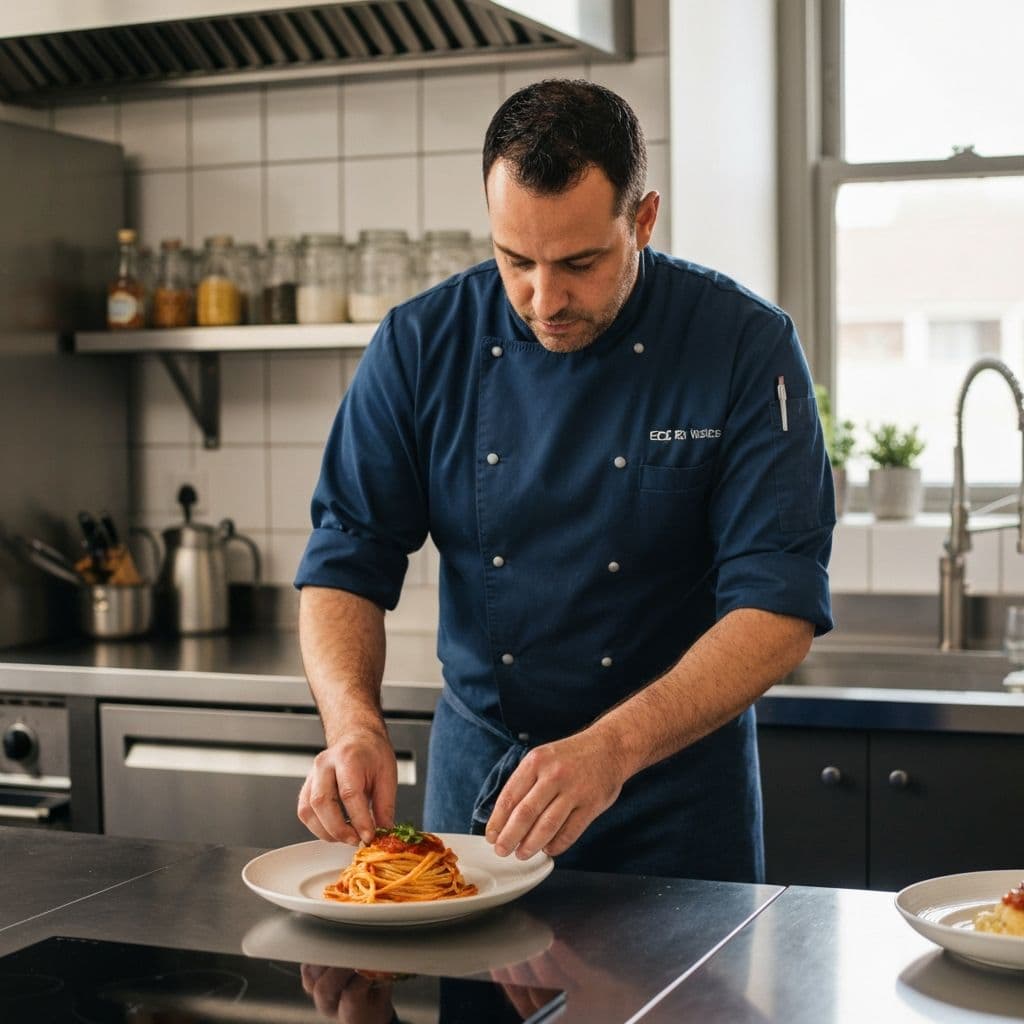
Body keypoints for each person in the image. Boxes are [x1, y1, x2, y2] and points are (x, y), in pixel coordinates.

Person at [294, 79, 834, 883]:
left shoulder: (744, 346)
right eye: (516, 260)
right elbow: (346, 556)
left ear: (643, 219)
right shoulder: (420, 343)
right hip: (482, 785)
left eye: (581, 262)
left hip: (676, 793)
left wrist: (612, 747)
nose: (544, 301)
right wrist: (353, 727)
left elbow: (778, 605)